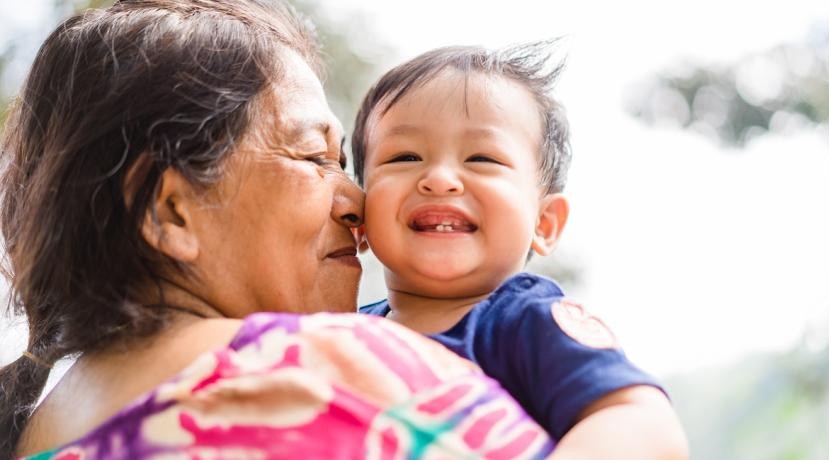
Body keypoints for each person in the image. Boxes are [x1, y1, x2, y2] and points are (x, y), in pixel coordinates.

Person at [0, 1, 556, 458]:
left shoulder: (31, 435)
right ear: (169, 211)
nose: (359, 205)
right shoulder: (339, 369)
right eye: (316, 156)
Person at [353, 43, 689, 457]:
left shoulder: (526, 322)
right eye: (405, 156)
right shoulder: (337, 330)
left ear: (543, 224)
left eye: (481, 158)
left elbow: (642, 422)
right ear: (359, 215)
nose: (439, 179)